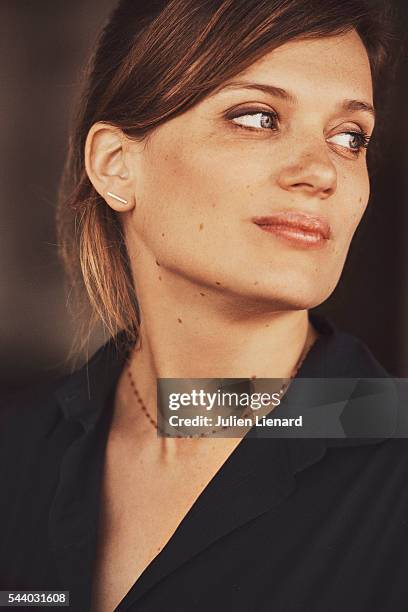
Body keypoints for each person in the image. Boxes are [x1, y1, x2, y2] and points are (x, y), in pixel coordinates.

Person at [1, 1, 406, 611]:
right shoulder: (17, 453)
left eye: (350, 137)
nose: (323, 171)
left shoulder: (392, 464)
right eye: (257, 117)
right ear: (117, 166)